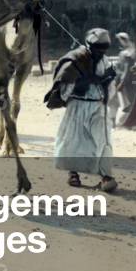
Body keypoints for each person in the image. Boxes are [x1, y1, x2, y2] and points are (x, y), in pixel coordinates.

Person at [47, 28, 117, 192]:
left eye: (103, 49)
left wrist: (105, 81)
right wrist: (85, 81)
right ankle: (73, 174)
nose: (100, 52)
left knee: (103, 139)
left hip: (98, 106)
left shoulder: (106, 62)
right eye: (97, 49)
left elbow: (110, 86)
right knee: (74, 140)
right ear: (89, 45)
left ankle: (106, 176)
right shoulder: (76, 60)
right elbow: (65, 87)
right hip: (78, 105)